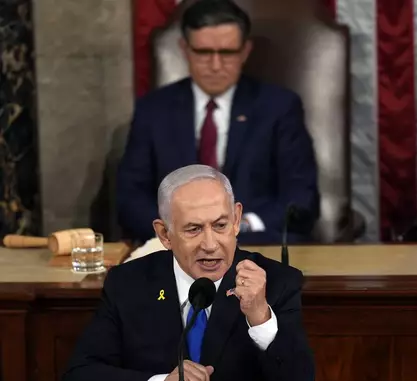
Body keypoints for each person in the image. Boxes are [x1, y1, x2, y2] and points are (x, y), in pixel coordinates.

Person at [63, 165, 315, 381]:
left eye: (220, 226)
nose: (209, 244)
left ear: (237, 220)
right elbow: (80, 378)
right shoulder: (128, 284)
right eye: (193, 229)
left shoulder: (277, 282)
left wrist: (260, 317)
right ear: (164, 234)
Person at [117, 0, 319, 245]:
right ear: (185, 50)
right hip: (175, 253)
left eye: (226, 53)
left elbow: (301, 198)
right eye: (203, 52)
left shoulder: (279, 107)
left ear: (245, 51)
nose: (215, 65)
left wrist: (241, 226)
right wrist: (181, 233)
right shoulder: (154, 110)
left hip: (258, 247)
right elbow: (130, 197)